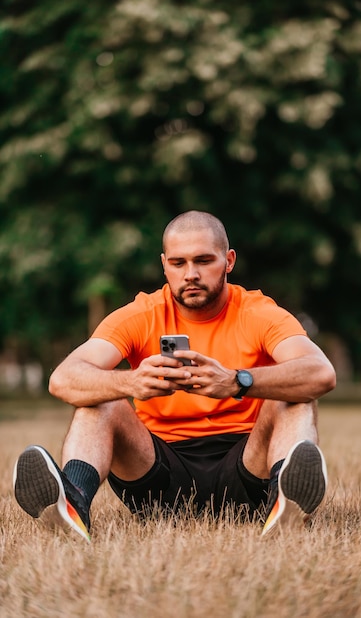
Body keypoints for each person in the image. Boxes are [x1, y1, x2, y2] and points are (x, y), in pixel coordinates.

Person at [13, 211, 336, 542]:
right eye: (179, 263)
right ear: (164, 265)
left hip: (248, 472)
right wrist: (130, 382)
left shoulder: (258, 312)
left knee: (294, 396)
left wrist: (238, 382)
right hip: (159, 479)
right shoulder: (141, 314)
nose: (191, 274)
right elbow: (63, 379)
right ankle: (72, 504)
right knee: (102, 400)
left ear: (229, 261)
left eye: (203, 261)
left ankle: (285, 503)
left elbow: (320, 373)